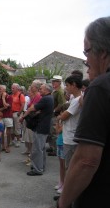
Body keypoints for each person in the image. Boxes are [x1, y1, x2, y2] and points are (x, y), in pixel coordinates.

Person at [58, 16, 110, 208]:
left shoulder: (101, 87)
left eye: (86, 52)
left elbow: (87, 160)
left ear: (103, 52)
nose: (86, 60)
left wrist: (62, 203)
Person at [20, 83, 54, 176]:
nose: (40, 90)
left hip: (41, 127)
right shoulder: (49, 98)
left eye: (41, 89)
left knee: (37, 149)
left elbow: (32, 108)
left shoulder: (46, 99)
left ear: (47, 90)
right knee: (41, 148)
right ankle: (41, 166)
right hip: (44, 126)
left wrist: (23, 117)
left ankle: (37, 169)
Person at [22, 80, 42, 165]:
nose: (31, 87)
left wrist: (26, 115)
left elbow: (35, 109)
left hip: (33, 120)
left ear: (36, 88)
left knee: (32, 140)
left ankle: (32, 159)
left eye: (32, 86)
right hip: (30, 119)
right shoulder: (34, 97)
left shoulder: (38, 96)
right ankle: (30, 157)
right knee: (29, 139)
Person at [47, 75, 66, 156]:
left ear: (59, 82)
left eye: (55, 81)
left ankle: (55, 149)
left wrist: (54, 110)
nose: (53, 82)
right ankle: (52, 147)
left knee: (54, 132)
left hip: (55, 115)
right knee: (51, 132)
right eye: (52, 81)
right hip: (52, 114)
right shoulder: (54, 91)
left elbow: (62, 104)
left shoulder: (59, 92)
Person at [54, 103, 70, 194]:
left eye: (62, 112)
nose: (61, 114)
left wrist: (58, 121)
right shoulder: (62, 121)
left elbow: (59, 130)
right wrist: (58, 122)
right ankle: (61, 181)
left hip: (64, 144)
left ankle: (65, 185)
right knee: (61, 165)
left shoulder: (67, 122)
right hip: (59, 143)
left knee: (65, 165)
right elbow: (57, 131)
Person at [11, 83, 25, 147]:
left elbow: (22, 105)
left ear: (17, 89)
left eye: (13, 88)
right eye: (12, 88)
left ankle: (18, 141)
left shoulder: (20, 95)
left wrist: (19, 113)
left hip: (17, 113)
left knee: (17, 127)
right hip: (11, 113)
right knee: (12, 127)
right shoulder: (12, 95)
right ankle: (13, 140)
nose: (12, 89)